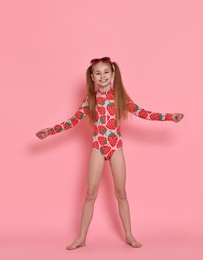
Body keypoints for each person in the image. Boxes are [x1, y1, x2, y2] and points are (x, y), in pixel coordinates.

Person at [36, 57, 184, 250]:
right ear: (92, 77)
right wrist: (50, 131)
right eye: (98, 73)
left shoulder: (120, 97)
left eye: (106, 72)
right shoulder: (90, 100)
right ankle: (81, 237)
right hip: (98, 146)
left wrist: (169, 117)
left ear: (113, 74)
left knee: (121, 193)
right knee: (90, 193)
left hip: (116, 147)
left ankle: (129, 235)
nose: (103, 76)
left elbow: (143, 112)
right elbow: (72, 121)